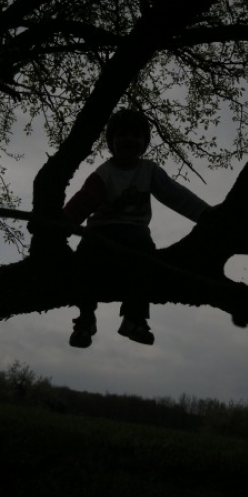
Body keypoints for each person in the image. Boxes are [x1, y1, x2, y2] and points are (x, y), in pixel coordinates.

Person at [63, 108, 214, 348]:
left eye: (136, 135)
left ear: (144, 143)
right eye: (122, 134)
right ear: (111, 141)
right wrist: (59, 224)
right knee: (84, 263)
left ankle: (134, 318)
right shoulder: (104, 174)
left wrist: (206, 215)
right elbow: (82, 202)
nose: (129, 139)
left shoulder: (149, 171)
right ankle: (85, 318)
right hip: (100, 233)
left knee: (146, 261)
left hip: (135, 234)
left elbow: (177, 196)